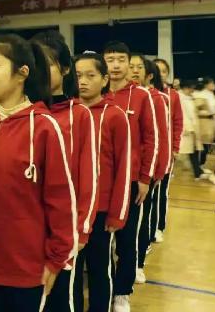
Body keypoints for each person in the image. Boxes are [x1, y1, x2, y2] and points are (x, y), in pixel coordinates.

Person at [0, 34, 77, 312]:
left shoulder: (45, 127)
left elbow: (60, 200)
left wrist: (57, 258)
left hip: (27, 269)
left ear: (22, 73)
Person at [32, 31, 96, 312]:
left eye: (46, 63)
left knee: (62, 298)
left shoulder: (79, 114)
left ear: (66, 68)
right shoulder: (25, 114)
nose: (39, 71)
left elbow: (88, 176)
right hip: (28, 230)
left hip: (64, 230)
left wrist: (80, 229)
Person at [72, 52, 131, 312]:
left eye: (90, 75)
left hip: (102, 210)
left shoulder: (115, 115)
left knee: (99, 267)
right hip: (73, 208)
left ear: (104, 79)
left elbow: (123, 167)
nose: (83, 81)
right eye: (78, 76)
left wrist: (117, 214)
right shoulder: (69, 112)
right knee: (72, 270)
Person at [102, 41, 157, 312]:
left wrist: (145, 178)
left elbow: (151, 138)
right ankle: (104, 290)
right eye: (110, 59)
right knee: (101, 242)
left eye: (120, 59)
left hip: (131, 181)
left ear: (129, 63)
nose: (115, 65)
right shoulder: (95, 94)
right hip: (101, 181)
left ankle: (122, 292)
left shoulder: (141, 96)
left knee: (126, 240)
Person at [132, 58, 169, 284]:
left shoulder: (156, 99)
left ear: (149, 74)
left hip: (146, 170)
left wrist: (159, 170)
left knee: (142, 217)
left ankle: (138, 263)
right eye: (131, 66)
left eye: (139, 67)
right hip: (124, 173)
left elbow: (160, 137)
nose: (134, 71)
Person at [153, 59, 184, 242]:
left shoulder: (172, 96)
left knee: (161, 190)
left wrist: (175, 147)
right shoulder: (145, 93)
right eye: (156, 70)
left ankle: (159, 226)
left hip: (166, 152)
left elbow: (178, 122)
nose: (160, 73)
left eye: (163, 71)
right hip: (149, 152)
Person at [178, 80, 206, 180]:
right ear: (186, 88)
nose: (192, 90)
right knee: (179, 152)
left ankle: (198, 172)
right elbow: (181, 114)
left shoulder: (189, 98)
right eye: (191, 88)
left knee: (192, 151)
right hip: (186, 128)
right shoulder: (179, 98)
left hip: (192, 127)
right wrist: (185, 127)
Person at [193, 77, 215, 170]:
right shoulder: (200, 95)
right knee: (201, 146)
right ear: (206, 85)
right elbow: (195, 110)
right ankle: (198, 166)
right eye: (212, 83)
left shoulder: (211, 94)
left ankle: (201, 165)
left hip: (209, 123)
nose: (214, 85)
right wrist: (207, 113)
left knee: (207, 145)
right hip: (202, 123)